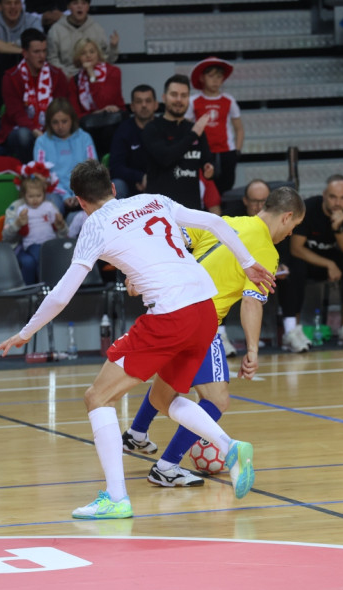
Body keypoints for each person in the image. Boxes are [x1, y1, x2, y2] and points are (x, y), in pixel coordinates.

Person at [0, 159, 274, 519]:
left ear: (80, 201)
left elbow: (62, 295)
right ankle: (229, 445)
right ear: (113, 188)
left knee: (97, 397)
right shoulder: (152, 199)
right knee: (164, 398)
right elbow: (215, 222)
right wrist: (248, 261)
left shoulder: (94, 225)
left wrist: (25, 332)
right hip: (205, 309)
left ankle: (116, 498)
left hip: (170, 314)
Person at [121, 186, 304, 486]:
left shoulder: (225, 222)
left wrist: (139, 271)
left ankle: (136, 434)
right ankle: (167, 466)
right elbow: (250, 302)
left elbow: (171, 238)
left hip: (166, 310)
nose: (291, 234)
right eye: (294, 227)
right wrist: (253, 351)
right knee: (216, 400)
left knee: (167, 387)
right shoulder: (266, 253)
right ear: (286, 217)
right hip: (197, 321)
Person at [278, 175, 343, 351]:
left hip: (334, 260)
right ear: (324, 194)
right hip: (309, 259)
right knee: (296, 268)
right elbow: (296, 248)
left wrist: (338, 229)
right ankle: (294, 331)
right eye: (333, 197)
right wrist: (328, 264)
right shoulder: (308, 208)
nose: (337, 203)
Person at [0, 28, 72, 164]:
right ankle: (29, 171)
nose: (42, 56)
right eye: (37, 52)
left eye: (44, 51)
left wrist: (51, 129)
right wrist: (35, 130)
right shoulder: (11, 77)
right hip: (19, 129)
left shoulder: (57, 75)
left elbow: (62, 107)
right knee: (24, 136)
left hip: (52, 127)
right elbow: (16, 113)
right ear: (25, 53)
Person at [141, 74, 214, 210]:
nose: (179, 100)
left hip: (191, 209)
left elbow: (207, 161)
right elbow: (166, 158)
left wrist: (209, 168)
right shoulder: (152, 128)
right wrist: (193, 134)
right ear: (164, 97)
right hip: (160, 211)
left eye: (184, 95)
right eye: (174, 94)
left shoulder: (195, 130)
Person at [187, 56, 243, 195]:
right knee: (204, 189)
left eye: (219, 76)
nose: (215, 80)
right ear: (201, 78)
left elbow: (239, 128)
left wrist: (237, 151)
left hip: (226, 152)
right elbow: (186, 128)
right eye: (211, 76)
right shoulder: (193, 101)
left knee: (226, 189)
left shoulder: (229, 100)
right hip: (203, 152)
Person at [2, 161, 65, 285]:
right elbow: (6, 237)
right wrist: (18, 224)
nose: (35, 199)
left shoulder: (49, 206)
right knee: (29, 262)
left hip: (48, 244)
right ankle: (33, 291)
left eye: (39, 194)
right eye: (31, 195)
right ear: (24, 191)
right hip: (24, 247)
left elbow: (63, 233)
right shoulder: (16, 208)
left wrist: (61, 226)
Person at [31, 97, 96, 213]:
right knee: (51, 204)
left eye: (64, 121)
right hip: (56, 193)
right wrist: (65, 195)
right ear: (49, 123)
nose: (60, 126)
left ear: (72, 120)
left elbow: (93, 170)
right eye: (55, 122)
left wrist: (79, 194)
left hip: (84, 191)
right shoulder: (42, 142)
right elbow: (42, 175)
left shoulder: (84, 138)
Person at [45, 0, 118, 79]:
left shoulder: (97, 29)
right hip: (66, 79)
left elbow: (107, 60)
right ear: (68, 6)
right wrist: (68, 76)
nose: (80, 6)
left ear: (88, 6)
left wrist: (113, 47)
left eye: (84, 3)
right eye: (75, 3)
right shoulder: (56, 30)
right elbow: (52, 59)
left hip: (92, 77)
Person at [69, 37, 125, 158]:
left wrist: (92, 76)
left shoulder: (113, 72)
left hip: (112, 125)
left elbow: (103, 102)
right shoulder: (74, 80)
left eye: (92, 51)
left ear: (98, 53)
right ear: (78, 58)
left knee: (107, 133)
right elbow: (75, 114)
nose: (88, 56)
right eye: (83, 53)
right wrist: (95, 113)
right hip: (89, 127)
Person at [107, 83, 156, 199]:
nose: (144, 105)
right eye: (139, 102)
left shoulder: (164, 127)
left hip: (160, 181)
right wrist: (140, 177)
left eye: (148, 101)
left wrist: (151, 179)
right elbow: (115, 167)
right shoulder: (123, 130)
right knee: (117, 185)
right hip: (130, 185)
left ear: (156, 105)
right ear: (132, 106)